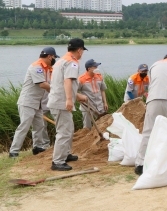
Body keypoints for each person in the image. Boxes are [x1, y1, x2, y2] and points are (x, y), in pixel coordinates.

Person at [47, 38, 89, 171]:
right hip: (61, 102)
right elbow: (67, 81)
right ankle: (58, 161)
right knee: (64, 132)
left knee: (68, 129)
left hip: (58, 99)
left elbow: (61, 83)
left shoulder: (61, 61)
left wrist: (77, 96)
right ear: (79, 50)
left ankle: (65, 154)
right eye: (82, 50)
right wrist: (70, 100)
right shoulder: (72, 62)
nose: (82, 53)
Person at [9, 47, 57, 158]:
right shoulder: (37, 67)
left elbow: (52, 82)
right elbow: (43, 85)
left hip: (38, 103)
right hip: (28, 102)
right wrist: (56, 92)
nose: (54, 60)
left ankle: (37, 147)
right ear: (49, 56)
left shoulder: (48, 69)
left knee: (39, 126)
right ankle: (14, 151)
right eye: (54, 57)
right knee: (24, 126)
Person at [78, 59, 108, 129]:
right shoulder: (81, 79)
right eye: (95, 67)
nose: (97, 68)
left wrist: (105, 103)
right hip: (87, 107)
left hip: (100, 106)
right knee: (87, 127)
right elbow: (73, 91)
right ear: (89, 69)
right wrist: (81, 99)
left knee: (102, 125)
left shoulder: (99, 76)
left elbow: (102, 90)